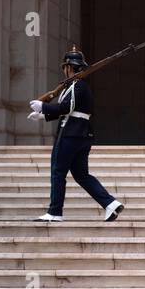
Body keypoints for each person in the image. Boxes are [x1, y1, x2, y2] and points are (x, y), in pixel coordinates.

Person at [28, 46, 124, 222]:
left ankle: (55, 212)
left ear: (69, 67)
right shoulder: (78, 86)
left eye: (65, 67)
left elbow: (67, 108)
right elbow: (71, 110)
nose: (64, 70)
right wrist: (43, 115)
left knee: (58, 172)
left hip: (69, 134)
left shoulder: (76, 86)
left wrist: (44, 106)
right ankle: (110, 204)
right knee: (81, 174)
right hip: (81, 135)